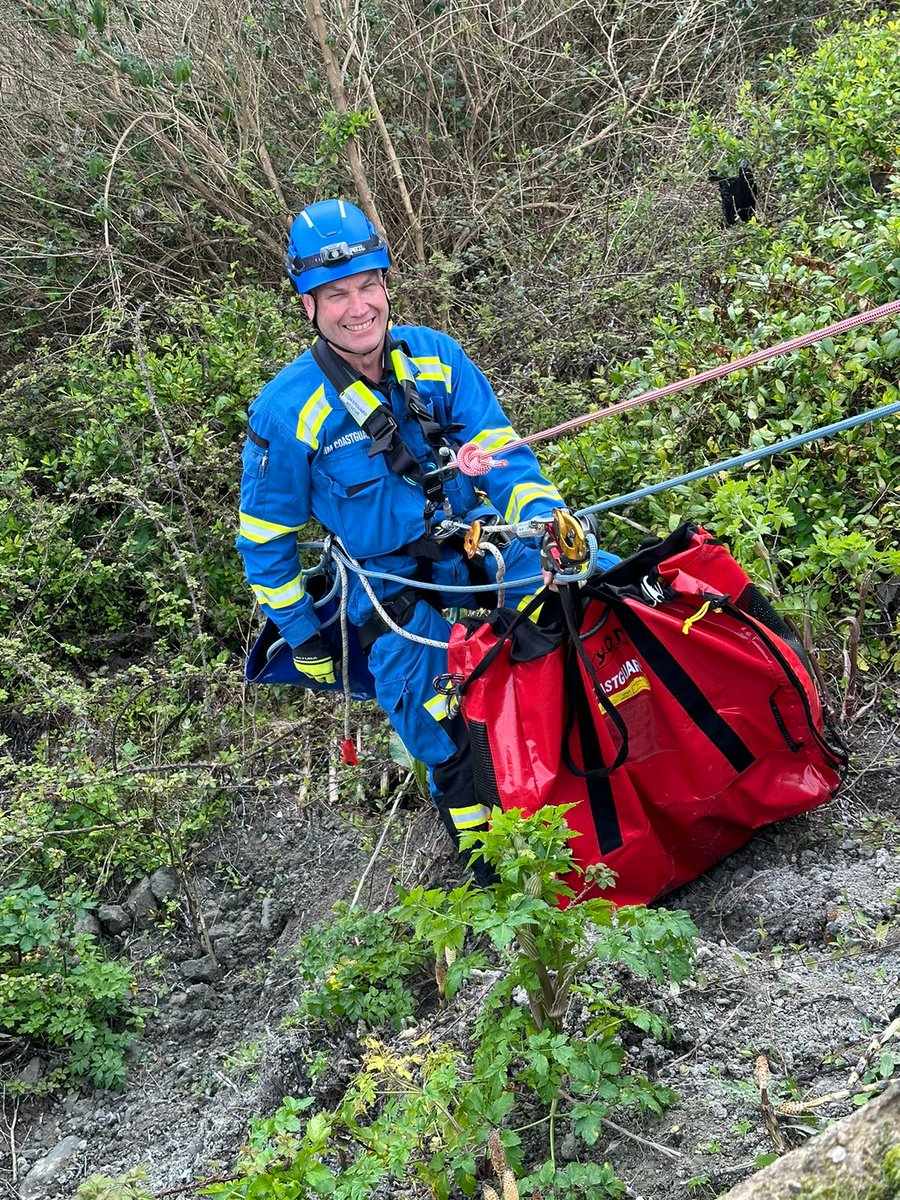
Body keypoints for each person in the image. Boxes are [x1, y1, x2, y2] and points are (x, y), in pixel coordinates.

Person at [236, 198, 618, 883]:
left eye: (367, 286)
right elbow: (265, 540)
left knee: (595, 597)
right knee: (439, 715)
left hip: (475, 544)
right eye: (336, 294)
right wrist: (303, 636)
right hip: (390, 588)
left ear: (386, 283)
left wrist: (546, 523)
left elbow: (503, 454)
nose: (358, 308)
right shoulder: (289, 409)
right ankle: (494, 872)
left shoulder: (435, 357)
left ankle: (610, 794)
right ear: (307, 306)